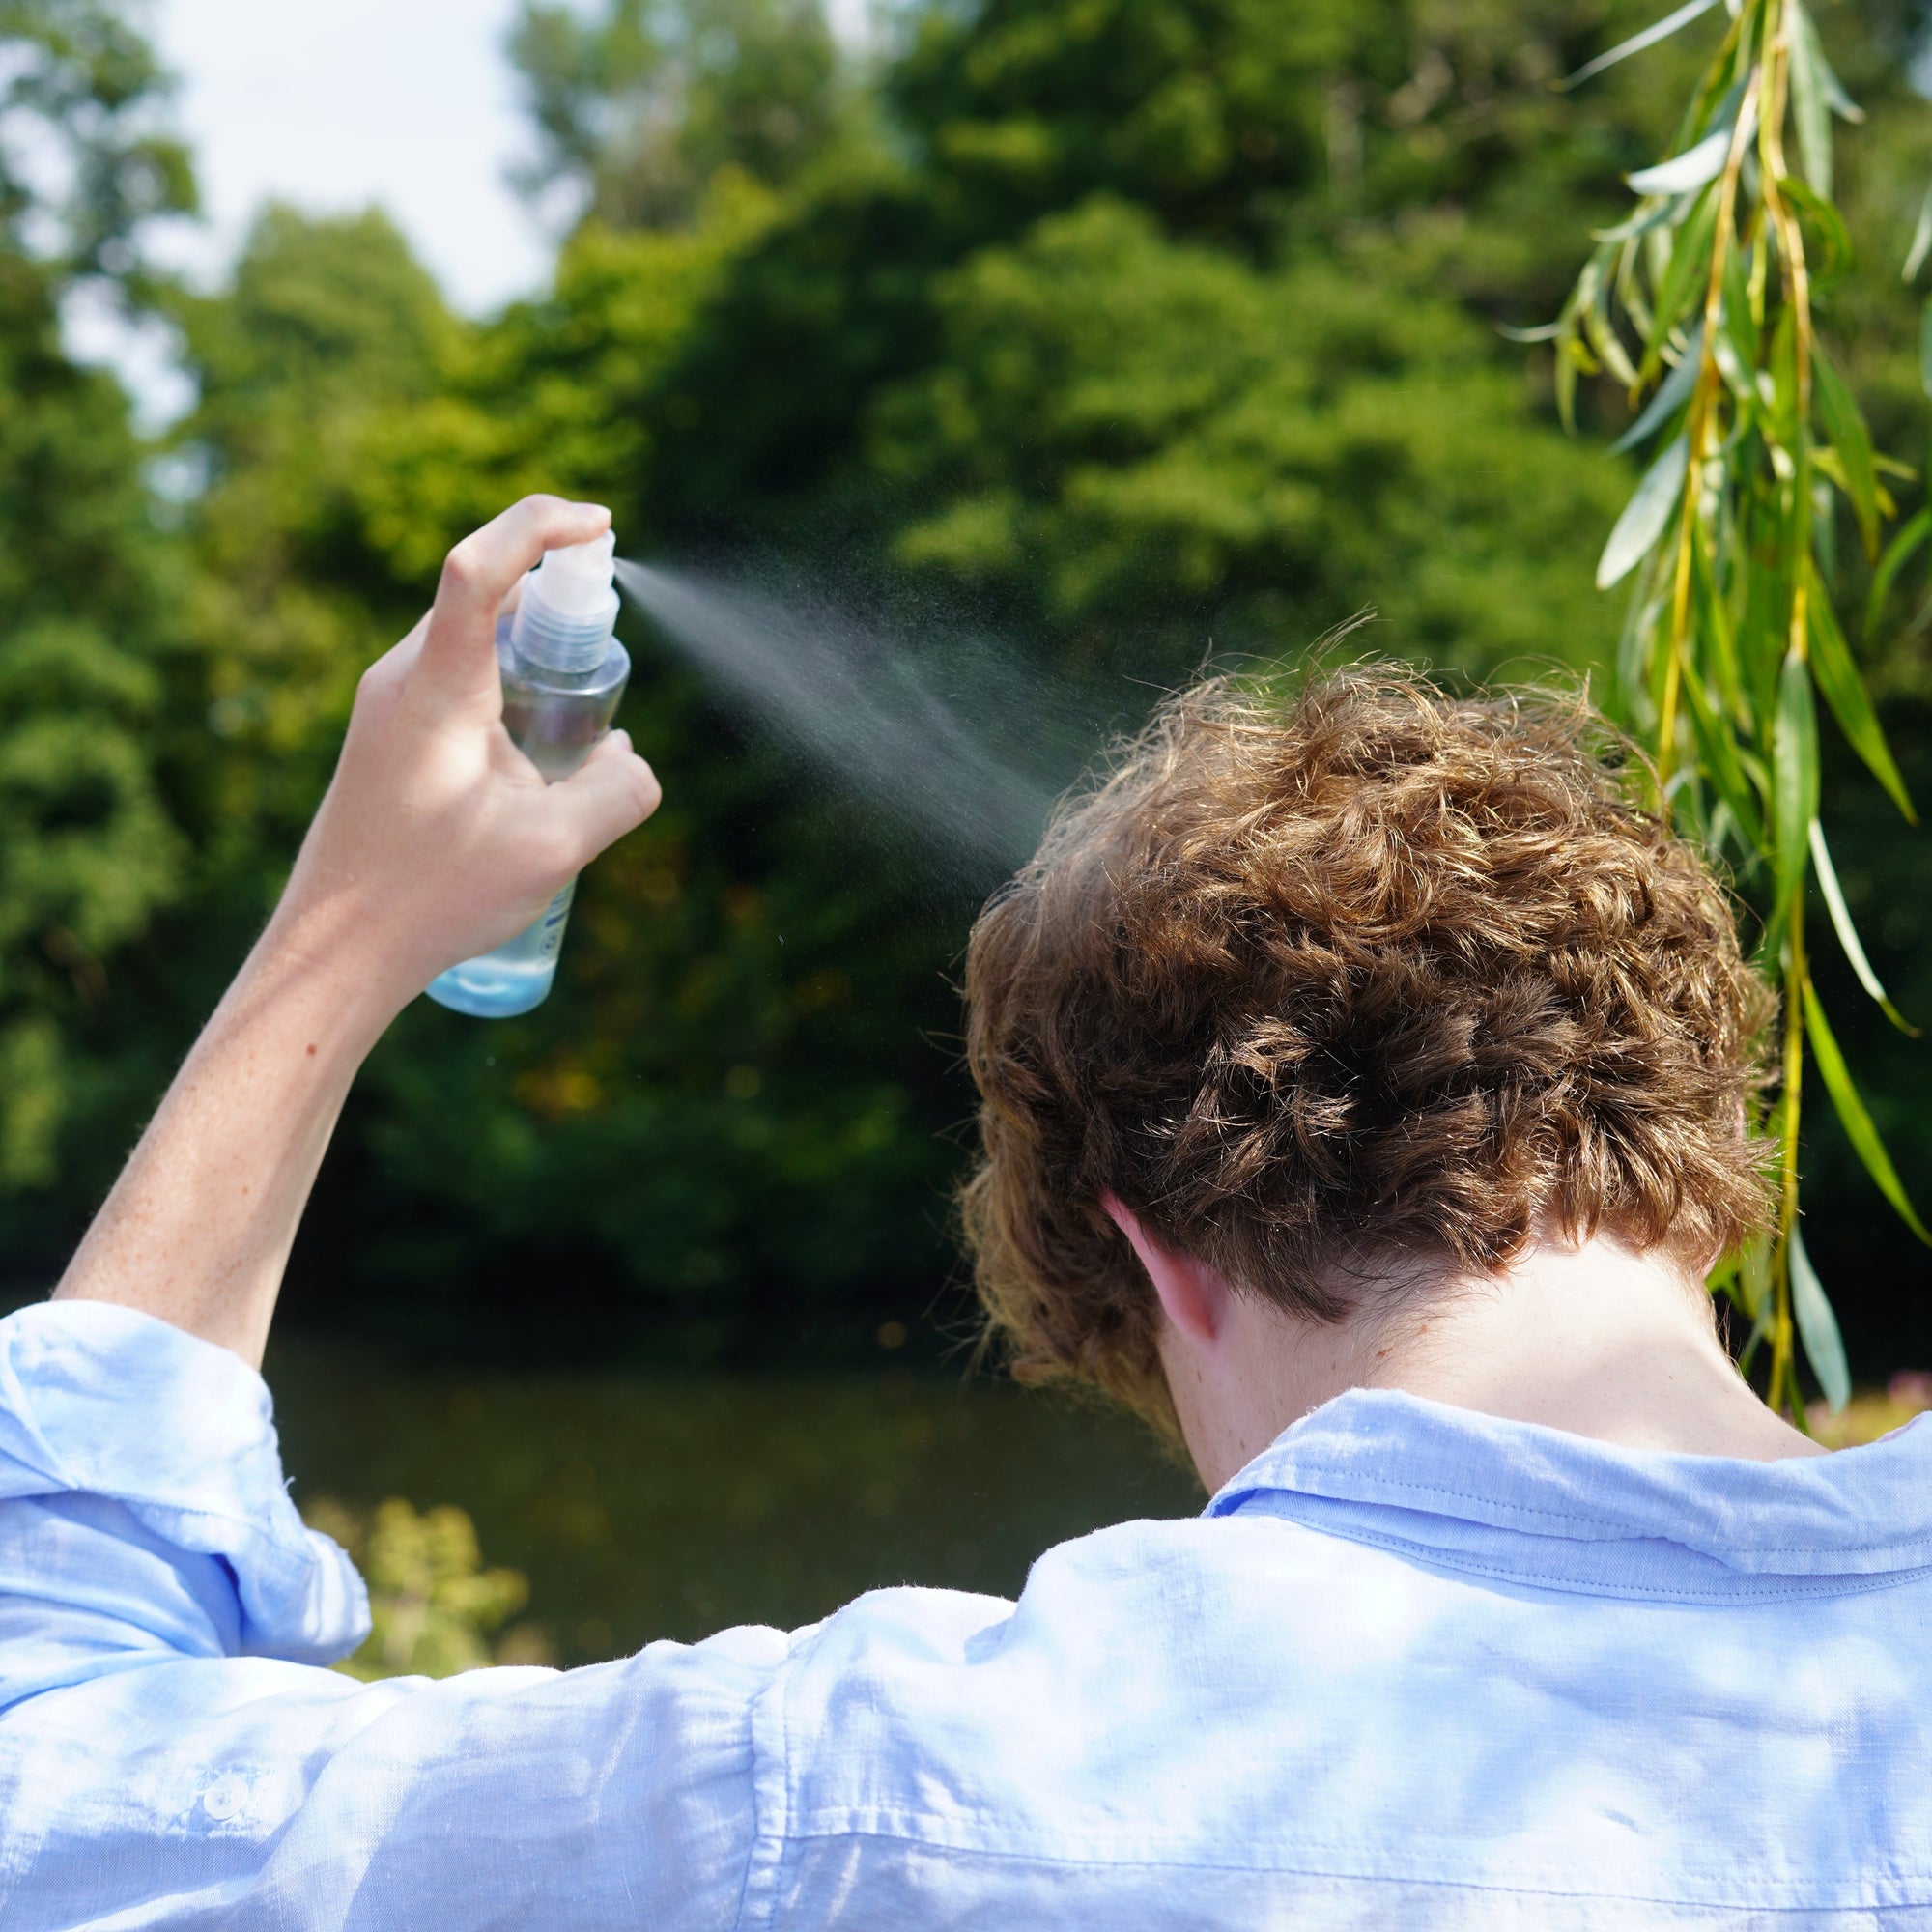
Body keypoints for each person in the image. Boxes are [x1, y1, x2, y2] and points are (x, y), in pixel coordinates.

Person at [0, 495, 1925, 1930]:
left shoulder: (861, 1797)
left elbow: (50, 1786)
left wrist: (339, 938)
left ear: (1157, 1256)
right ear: (1713, 1195)